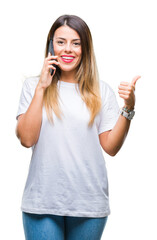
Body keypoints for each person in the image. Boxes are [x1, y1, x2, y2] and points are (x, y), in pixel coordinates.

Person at [16, 14, 140, 240]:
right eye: (61, 42)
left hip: (88, 204)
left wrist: (128, 108)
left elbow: (111, 147)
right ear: (51, 45)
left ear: (85, 48)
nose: (67, 49)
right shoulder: (33, 86)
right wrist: (42, 88)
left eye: (76, 43)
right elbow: (26, 139)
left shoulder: (101, 91)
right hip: (42, 202)